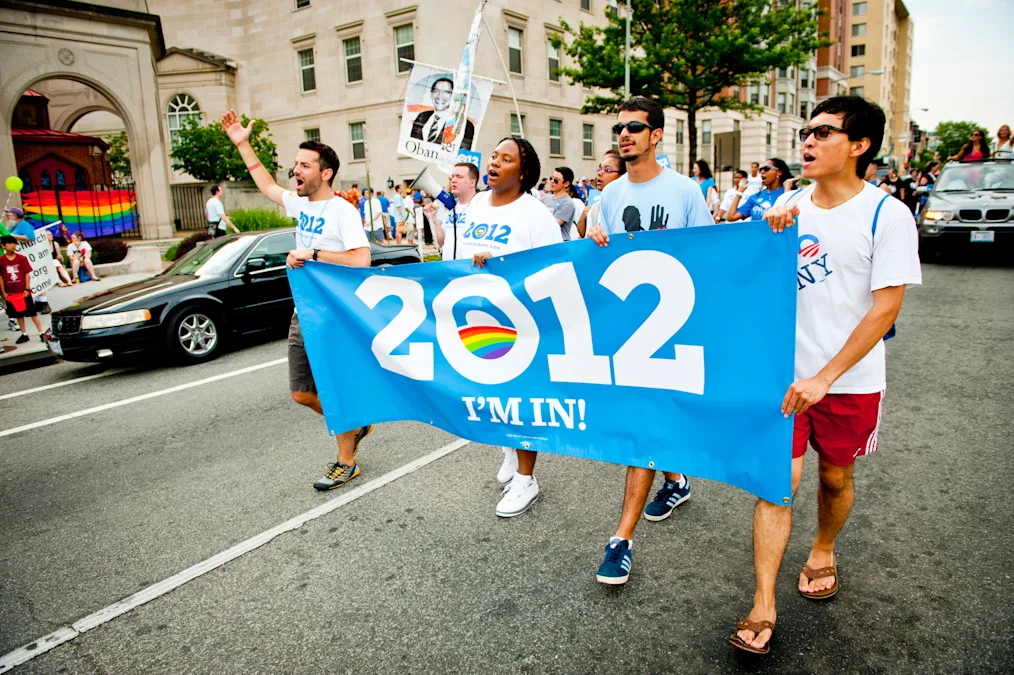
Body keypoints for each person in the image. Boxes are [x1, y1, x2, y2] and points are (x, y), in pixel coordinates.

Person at [731, 96, 921, 656]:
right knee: (778, 484)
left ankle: (824, 547)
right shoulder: (786, 203)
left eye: (822, 133)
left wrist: (827, 376)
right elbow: (733, 269)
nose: (807, 142)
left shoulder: (888, 215)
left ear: (859, 146)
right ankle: (763, 602)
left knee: (835, 479)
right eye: (805, 132)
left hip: (851, 382)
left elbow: (885, 309)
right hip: (784, 381)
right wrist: (764, 233)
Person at [586, 95, 713, 585]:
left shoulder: (684, 191)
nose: (624, 135)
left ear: (656, 135)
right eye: (619, 128)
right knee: (646, 426)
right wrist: (597, 244)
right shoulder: (611, 195)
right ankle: (677, 480)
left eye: (635, 127)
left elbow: (707, 256)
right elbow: (607, 266)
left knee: (644, 431)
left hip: (673, 331)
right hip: (629, 334)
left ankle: (621, 540)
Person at [220, 109, 375, 491]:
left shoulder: (342, 210)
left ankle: (346, 461)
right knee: (301, 392)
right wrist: (243, 143)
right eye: (295, 164)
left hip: (335, 314)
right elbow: (267, 186)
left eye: (305, 165)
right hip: (303, 309)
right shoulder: (301, 204)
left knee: (332, 385)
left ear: (325, 173)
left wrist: (314, 254)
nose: (296, 171)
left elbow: (361, 258)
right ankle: (354, 422)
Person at [460, 137, 562, 517]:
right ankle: (508, 448)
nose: (495, 163)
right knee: (489, 394)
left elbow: (554, 266)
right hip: (476, 317)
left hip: (521, 321)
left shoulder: (534, 214)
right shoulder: (475, 206)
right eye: (493, 156)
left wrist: (500, 262)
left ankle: (526, 478)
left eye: (506, 159)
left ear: (522, 172)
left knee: (519, 401)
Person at [423, 162, 479, 261]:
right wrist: (432, 218)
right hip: (451, 269)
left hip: (469, 270)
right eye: (452, 176)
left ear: (472, 182)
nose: (453, 180)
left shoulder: (480, 206)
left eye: (459, 177)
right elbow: (441, 241)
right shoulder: (452, 209)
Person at [409, 77, 476, 150]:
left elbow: (463, 155)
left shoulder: (465, 125)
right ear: (431, 94)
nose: (440, 96)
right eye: (436, 91)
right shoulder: (421, 117)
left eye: (446, 92)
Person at [0, 235, 45, 344]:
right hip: (11, 292)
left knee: (32, 312)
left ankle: (41, 332)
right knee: (18, 314)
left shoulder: (21, 258)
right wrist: (3, 292)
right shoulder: (1, 261)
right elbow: (0, 277)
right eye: (10, 243)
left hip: (23, 291)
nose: (12, 246)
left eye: (14, 243)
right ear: (3, 246)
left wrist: (26, 288)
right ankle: (24, 333)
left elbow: (27, 273)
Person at [577, 149, 625, 238]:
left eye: (607, 170)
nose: (599, 173)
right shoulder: (595, 209)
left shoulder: (630, 206)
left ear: (623, 176)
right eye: (600, 169)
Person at [726, 158, 792, 221]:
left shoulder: (786, 193)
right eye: (761, 170)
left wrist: (788, 185)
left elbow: (789, 214)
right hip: (756, 232)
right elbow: (731, 217)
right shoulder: (756, 196)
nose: (762, 172)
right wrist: (739, 192)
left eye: (766, 169)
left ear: (779, 172)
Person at [540, 166, 577, 241]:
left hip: (559, 243)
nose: (552, 181)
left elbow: (552, 224)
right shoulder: (544, 199)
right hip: (544, 243)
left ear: (566, 183)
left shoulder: (568, 203)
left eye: (556, 180)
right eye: (551, 178)